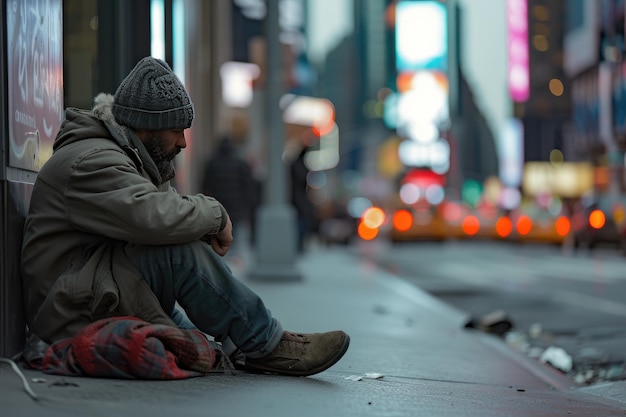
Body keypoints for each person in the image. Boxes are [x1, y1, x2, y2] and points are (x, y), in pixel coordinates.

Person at [20, 56, 349, 377]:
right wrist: (216, 214)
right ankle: (266, 344)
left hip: (91, 289)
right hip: (69, 308)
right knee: (177, 252)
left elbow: (157, 214)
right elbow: (150, 215)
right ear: (146, 127)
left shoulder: (124, 156)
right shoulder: (91, 160)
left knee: (205, 340)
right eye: (175, 130)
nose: (183, 142)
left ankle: (242, 346)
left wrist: (197, 221)